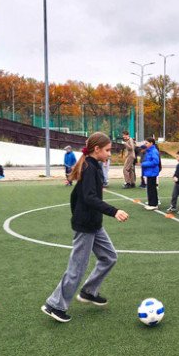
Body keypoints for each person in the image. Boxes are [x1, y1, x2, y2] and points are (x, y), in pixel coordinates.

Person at [42, 132, 129, 323]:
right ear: (96, 149)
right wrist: (113, 211)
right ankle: (55, 305)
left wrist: (81, 214)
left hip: (94, 224)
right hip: (86, 226)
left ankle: (89, 291)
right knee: (77, 267)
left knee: (109, 257)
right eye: (107, 150)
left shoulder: (92, 165)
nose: (109, 154)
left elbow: (75, 195)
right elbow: (89, 197)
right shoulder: (89, 168)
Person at [140, 137, 161, 210]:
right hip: (149, 172)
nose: (145, 144)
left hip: (152, 172)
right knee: (149, 188)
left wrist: (144, 164)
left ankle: (154, 204)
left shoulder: (153, 151)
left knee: (152, 189)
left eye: (147, 143)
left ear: (151, 143)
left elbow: (156, 162)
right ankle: (151, 202)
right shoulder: (149, 151)